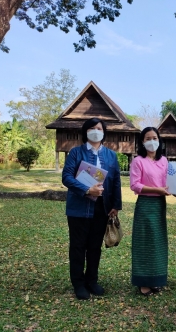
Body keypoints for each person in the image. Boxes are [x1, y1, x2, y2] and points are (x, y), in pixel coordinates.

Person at [62, 118, 122, 300]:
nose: (96, 131)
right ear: (85, 131)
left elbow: (116, 181)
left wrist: (115, 205)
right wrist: (87, 189)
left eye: (99, 128)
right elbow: (66, 177)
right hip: (78, 208)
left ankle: (92, 280)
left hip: (101, 208)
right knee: (78, 246)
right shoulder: (75, 152)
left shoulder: (111, 156)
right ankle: (78, 283)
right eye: (92, 128)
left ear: (104, 132)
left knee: (95, 247)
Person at [129, 127, 170, 296]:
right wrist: (157, 189)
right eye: (148, 138)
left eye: (154, 137)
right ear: (142, 142)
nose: (152, 141)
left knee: (158, 242)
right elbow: (135, 185)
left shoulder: (164, 161)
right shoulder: (138, 161)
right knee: (144, 241)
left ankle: (156, 279)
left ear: (159, 140)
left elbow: (172, 181)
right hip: (145, 204)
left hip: (160, 204)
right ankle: (143, 281)